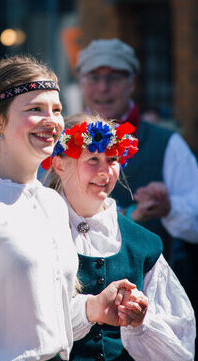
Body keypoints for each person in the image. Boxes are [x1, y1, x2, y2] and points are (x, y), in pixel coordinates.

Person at [0, 55, 143, 361]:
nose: (51, 120)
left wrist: (95, 307)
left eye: (56, 110)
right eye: (35, 109)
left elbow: (44, 323)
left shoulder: (52, 203)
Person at [75, 39, 198, 352]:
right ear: (80, 80)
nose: (103, 87)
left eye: (114, 77)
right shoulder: (61, 145)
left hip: (152, 310)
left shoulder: (166, 143)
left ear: (132, 82)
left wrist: (169, 208)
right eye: (94, 77)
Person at [43, 113, 196, 361]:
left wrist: (141, 323)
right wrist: (90, 309)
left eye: (112, 159)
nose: (105, 171)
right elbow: (21, 319)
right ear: (59, 165)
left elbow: (178, 344)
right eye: (93, 158)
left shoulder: (142, 243)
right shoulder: (37, 229)